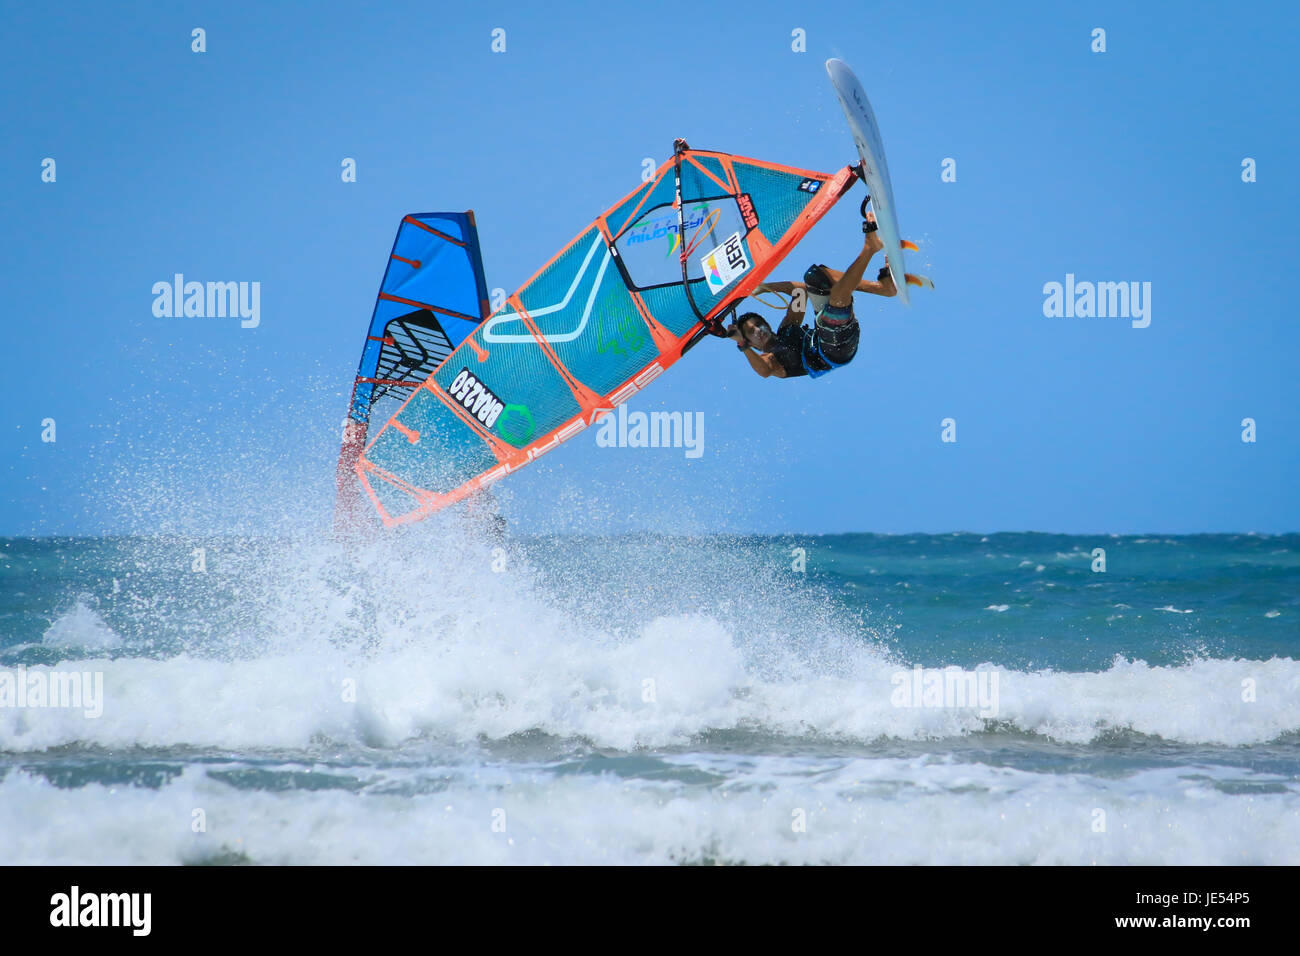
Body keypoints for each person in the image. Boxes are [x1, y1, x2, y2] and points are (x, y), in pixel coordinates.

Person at [729, 210, 896, 379]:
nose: (758, 330)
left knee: (815, 276)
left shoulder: (787, 327)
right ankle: (869, 247)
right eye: (751, 332)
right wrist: (742, 344)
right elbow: (764, 371)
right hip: (834, 352)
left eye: (758, 323)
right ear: (751, 343)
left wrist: (762, 287)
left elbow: (800, 291)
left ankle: (882, 287)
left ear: (767, 323)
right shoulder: (771, 360)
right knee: (836, 300)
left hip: (828, 329)